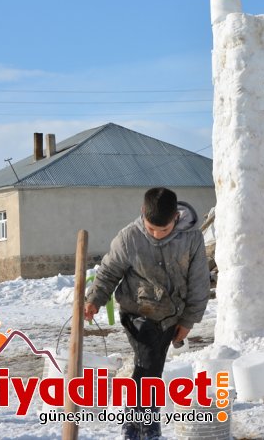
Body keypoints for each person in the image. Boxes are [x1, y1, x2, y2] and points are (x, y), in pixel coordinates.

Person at [84, 187, 210, 440]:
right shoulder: (128, 237)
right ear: (143, 212)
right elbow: (109, 273)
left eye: (163, 230)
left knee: (150, 368)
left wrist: (188, 321)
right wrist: (95, 299)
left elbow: (198, 282)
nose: (156, 235)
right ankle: (147, 428)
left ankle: (132, 425)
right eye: (151, 228)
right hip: (136, 311)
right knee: (149, 364)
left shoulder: (191, 238)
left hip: (171, 315)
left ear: (175, 216)